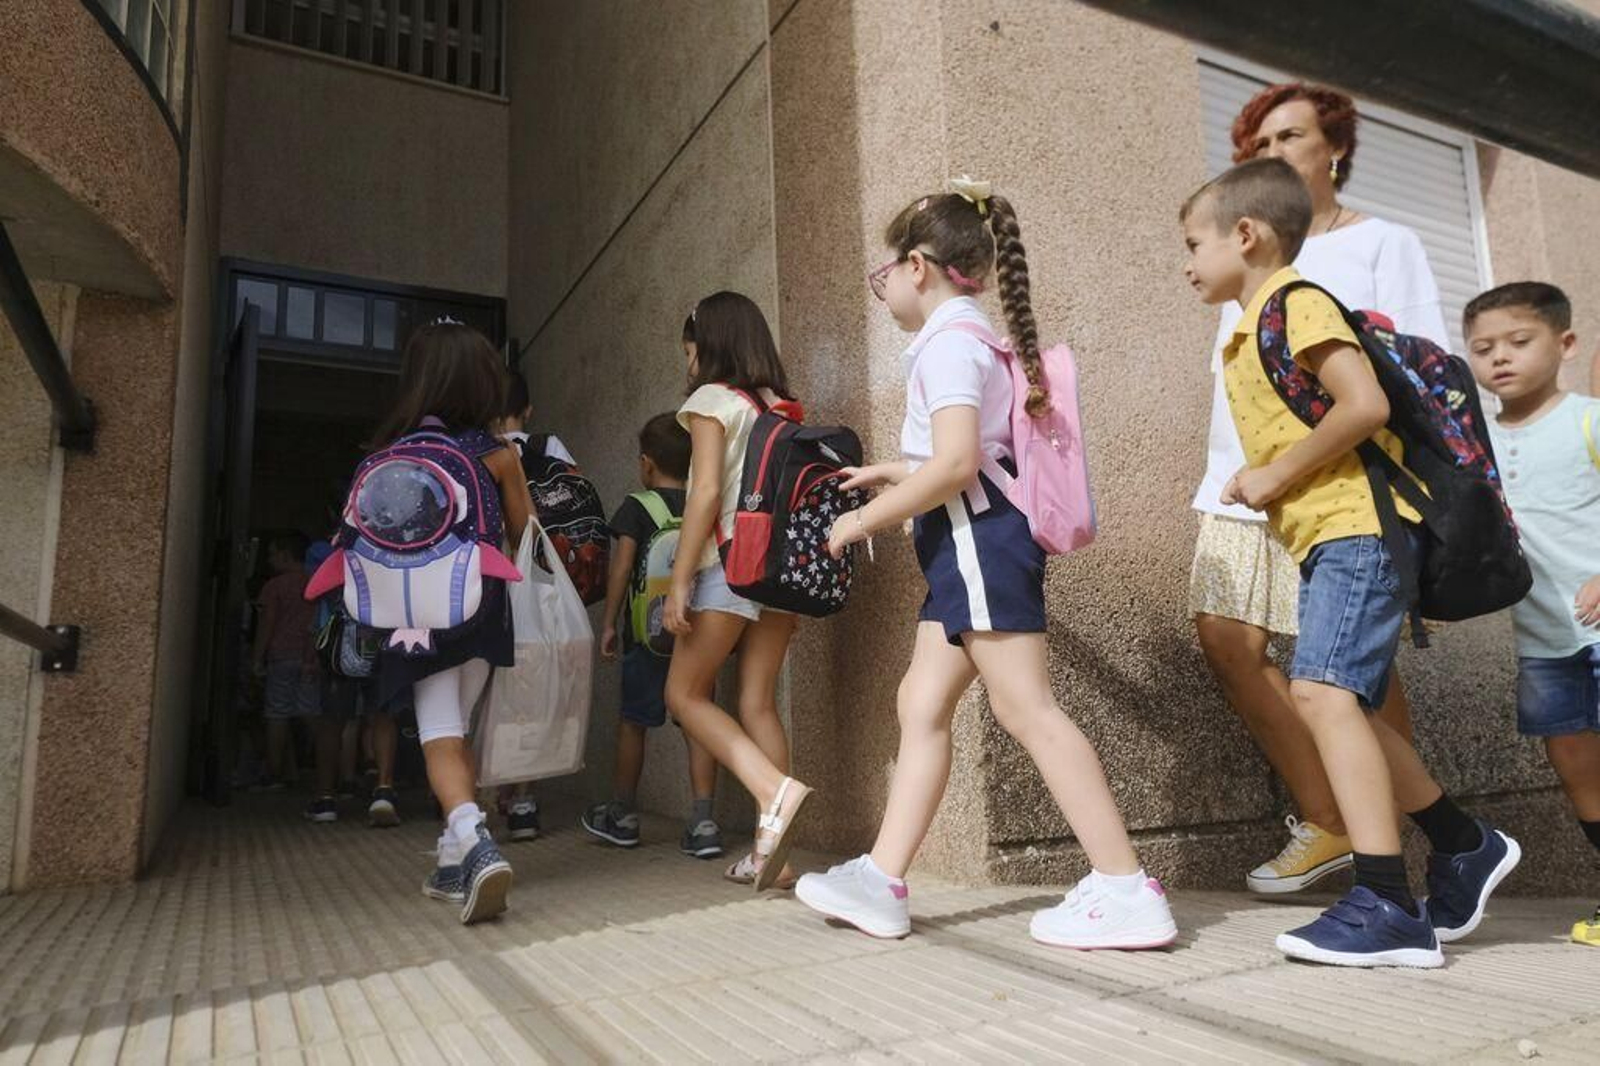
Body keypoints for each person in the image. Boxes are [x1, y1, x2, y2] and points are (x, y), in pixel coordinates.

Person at [794, 181, 1178, 949]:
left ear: (918, 266)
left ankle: (1125, 886)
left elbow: (959, 462)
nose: (884, 290)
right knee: (921, 703)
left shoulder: (949, 344)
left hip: (977, 544)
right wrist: (891, 474)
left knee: (1026, 708)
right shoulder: (972, 338)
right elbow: (972, 459)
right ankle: (882, 878)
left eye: (885, 275)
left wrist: (861, 520)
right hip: (972, 544)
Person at [1180, 157, 1519, 967]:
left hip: (1357, 532)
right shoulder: (1252, 322)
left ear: (1247, 234)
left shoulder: (1294, 304)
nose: (1188, 263)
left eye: (1194, 244)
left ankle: (1386, 902)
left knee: (1323, 692)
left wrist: (1274, 473)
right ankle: (1461, 844)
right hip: (1330, 535)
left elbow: (1363, 405)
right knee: (1347, 702)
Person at [1190, 82, 1456, 895]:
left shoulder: (1380, 244)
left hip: (1339, 482)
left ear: (1334, 146)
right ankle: (1335, 824)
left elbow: (1417, 371)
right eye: (1259, 144)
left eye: (1291, 137)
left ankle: (1408, 856)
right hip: (1246, 482)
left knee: (1353, 674)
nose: (1275, 153)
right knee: (1228, 639)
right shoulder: (1247, 263)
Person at [363, 320, 533, 924]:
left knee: (439, 735)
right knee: (459, 730)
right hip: (482, 611)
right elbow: (523, 538)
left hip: (415, 618)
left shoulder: (390, 454)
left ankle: (476, 839)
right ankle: (448, 860)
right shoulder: (498, 455)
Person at [1465, 282, 1600, 947]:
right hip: (1543, 636)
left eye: (1519, 342)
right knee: (1575, 760)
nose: (1501, 359)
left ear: (1565, 343)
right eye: (1484, 348)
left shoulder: (1588, 419)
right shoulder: (1477, 440)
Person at [663, 294, 809, 892]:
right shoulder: (783, 407)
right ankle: (772, 852)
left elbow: (703, 494)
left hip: (728, 565)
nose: (689, 363)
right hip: (782, 572)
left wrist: (678, 580)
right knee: (757, 703)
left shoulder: (710, 402)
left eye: (690, 350)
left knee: (684, 693)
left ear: (709, 343)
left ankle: (775, 791)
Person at [583, 412, 723, 857]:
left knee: (634, 724)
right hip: (698, 632)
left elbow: (622, 568)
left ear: (646, 464)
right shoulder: (706, 503)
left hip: (646, 638)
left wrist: (608, 622)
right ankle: (703, 820)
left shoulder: (637, 507)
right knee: (697, 721)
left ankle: (622, 814)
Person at [490, 372, 573, 843]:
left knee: (485, 691)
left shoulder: (476, 450)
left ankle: (482, 797)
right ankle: (524, 799)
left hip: (484, 586)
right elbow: (571, 511)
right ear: (529, 409)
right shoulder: (550, 448)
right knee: (530, 691)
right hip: (535, 583)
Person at [252, 531, 319, 792]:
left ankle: (274, 774)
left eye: (272, 553)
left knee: (277, 714)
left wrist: (257, 658)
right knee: (310, 712)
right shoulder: (315, 581)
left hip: (281, 655)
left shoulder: (274, 587)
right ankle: (330, 766)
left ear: (285, 554)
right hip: (311, 656)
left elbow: (266, 625)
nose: (269, 560)